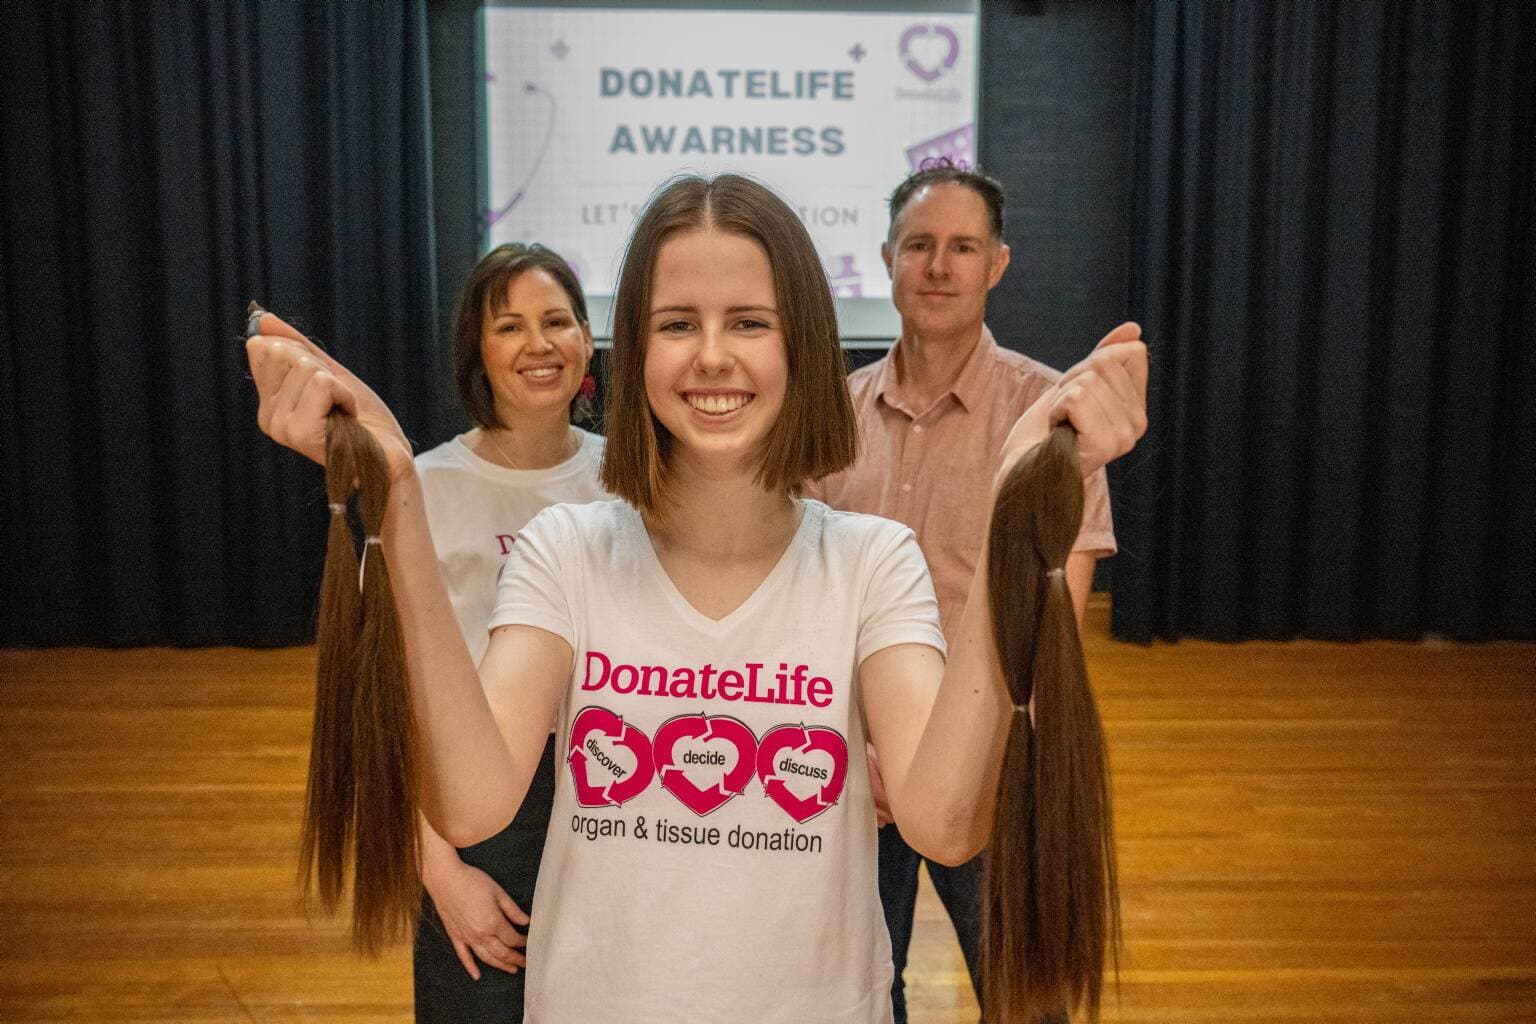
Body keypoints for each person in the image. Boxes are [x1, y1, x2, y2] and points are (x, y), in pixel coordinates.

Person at [246, 172, 1146, 1022]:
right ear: (633, 348)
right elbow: (474, 802)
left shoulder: (874, 563)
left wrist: (1011, 511)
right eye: (677, 323)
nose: (712, 357)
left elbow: (946, 824)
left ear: (801, 341)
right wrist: (397, 498)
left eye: (750, 322)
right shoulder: (567, 552)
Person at [810, 160, 1115, 1022]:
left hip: (990, 774)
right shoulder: (829, 417)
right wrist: (855, 754)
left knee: (1029, 1002)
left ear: (997, 264)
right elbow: (804, 604)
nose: (939, 266)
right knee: (863, 997)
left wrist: (980, 770)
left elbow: (1057, 639)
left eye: (962, 247)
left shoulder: (1050, 418)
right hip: (853, 777)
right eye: (920, 246)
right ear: (887, 259)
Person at [411, 243, 614, 1021]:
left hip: (612, 800)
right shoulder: (424, 489)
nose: (538, 344)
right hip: (479, 824)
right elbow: (392, 705)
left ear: (585, 342)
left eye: (557, 321)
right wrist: (440, 874)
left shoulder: (632, 479)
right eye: (510, 326)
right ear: (478, 350)